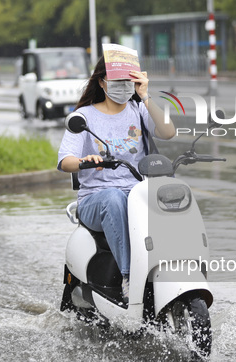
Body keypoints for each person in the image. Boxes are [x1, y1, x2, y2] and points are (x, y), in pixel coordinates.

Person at [57, 56, 175, 302]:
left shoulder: (138, 109)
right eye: (116, 80)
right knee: (114, 198)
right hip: (96, 199)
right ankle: (130, 276)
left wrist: (145, 95)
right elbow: (65, 161)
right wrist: (84, 161)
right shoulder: (85, 116)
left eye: (127, 80)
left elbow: (168, 132)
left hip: (136, 194)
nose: (123, 85)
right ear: (102, 82)